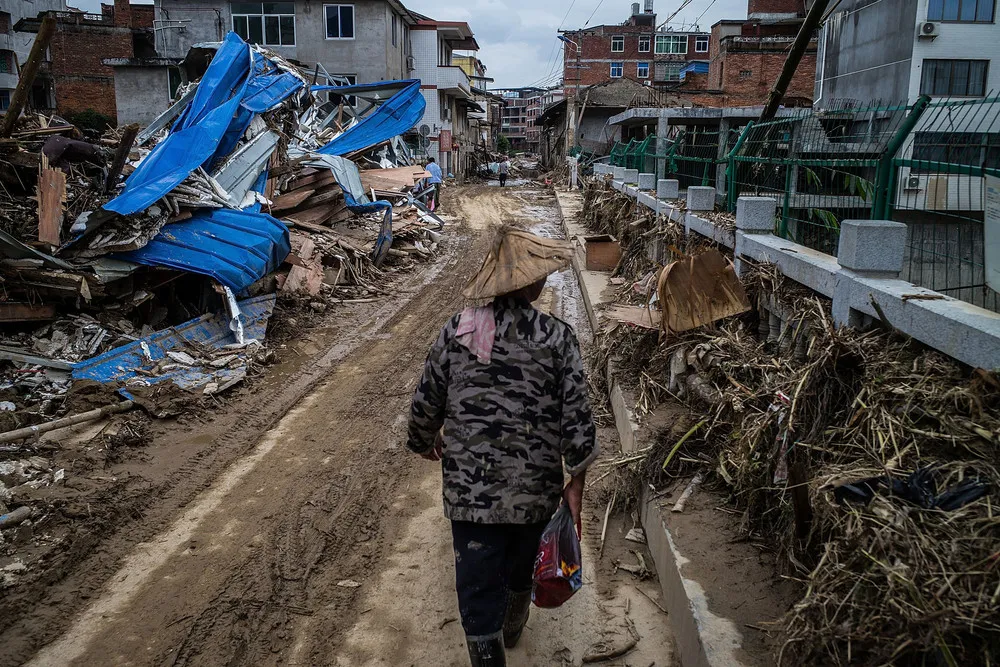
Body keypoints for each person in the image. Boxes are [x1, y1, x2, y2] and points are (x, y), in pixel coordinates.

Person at [407, 229, 599, 667]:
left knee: (476, 586)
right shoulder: (556, 337)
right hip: (534, 492)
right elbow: (578, 421)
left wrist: (423, 441)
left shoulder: (459, 329)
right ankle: (514, 626)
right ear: (529, 284)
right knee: (521, 568)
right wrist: (576, 486)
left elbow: (426, 401)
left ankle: (491, 649)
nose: (545, 282)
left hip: (470, 497)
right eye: (541, 276)